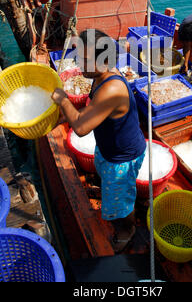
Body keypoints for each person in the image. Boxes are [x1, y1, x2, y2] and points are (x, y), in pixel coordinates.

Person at [51, 29, 146, 253]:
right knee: (115, 189)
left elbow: (82, 128)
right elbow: (91, 108)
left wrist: (63, 101)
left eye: (84, 59)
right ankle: (123, 205)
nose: (78, 63)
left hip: (122, 158)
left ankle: (127, 230)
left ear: (103, 61)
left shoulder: (112, 87)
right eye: (79, 57)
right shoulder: (99, 77)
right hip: (108, 149)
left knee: (120, 203)